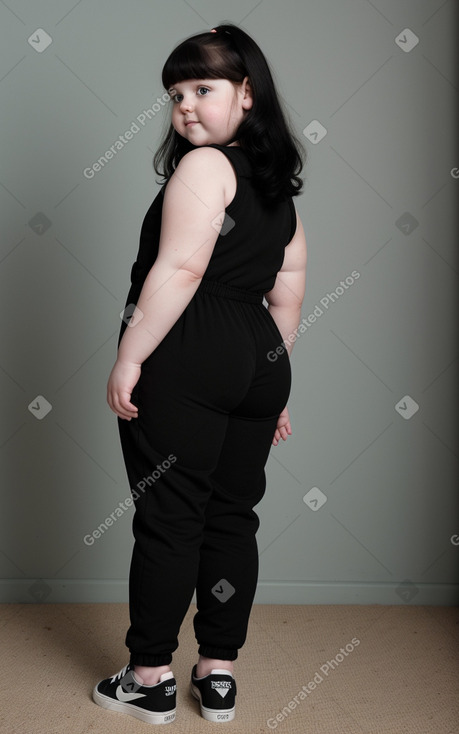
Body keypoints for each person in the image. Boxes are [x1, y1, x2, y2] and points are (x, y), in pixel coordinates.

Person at [92, 23, 307, 725]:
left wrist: (130, 353)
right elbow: (289, 291)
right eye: (175, 93)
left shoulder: (203, 167)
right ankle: (218, 673)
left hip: (190, 350)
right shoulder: (280, 192)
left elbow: (181, 269)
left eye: (202, 88)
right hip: (256, 354)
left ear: (247, 94)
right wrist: (270, 381)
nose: (184, 105)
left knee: (169, 517)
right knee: (231, 518)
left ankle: (150, 675)